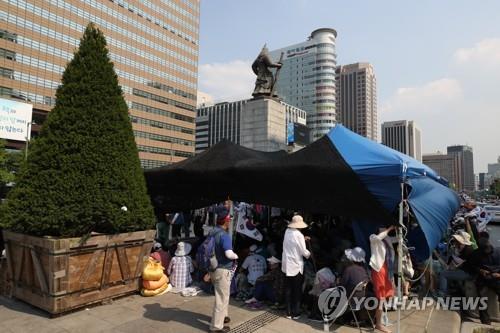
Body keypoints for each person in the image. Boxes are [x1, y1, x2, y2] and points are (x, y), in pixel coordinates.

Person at [209, 207, 239, 333]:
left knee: (223, 296)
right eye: (229, 220)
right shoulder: (224, 235)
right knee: (221, 298)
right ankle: (216, 327)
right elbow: (228, 254)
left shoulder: (212, 231)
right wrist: (236, 256)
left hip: (213, 268)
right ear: (226, 221)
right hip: (223, 269)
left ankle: (223, 318)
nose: (230, 222)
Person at [282, 214, 311, 320]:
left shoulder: (287, 232)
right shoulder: (298, 235)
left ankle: (288, 312)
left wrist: (303, 238)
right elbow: (303, 251)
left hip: (287, 265)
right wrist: (309, 254)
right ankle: (296, 312)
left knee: (288, 289)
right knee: (297, 290)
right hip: (296, 265)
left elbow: (293, 241)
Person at [369, 225, 396, 333]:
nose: (384, 228)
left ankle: (379, 319)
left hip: (386, 269)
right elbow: (378, 237)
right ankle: (378, 324)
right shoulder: (373, 237)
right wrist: (389, 229)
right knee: (381, 298)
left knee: (388, 294)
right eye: (383, 227)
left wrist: (398, 232)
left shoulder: (387, 239)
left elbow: (397, 239)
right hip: (378, 269)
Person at [438, 230, 474, 295]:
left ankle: (442, 294)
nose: (454, 241)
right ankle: (449, 289)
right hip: (460, 269)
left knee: (443, 274)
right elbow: (451, 258)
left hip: (466, 272)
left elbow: (462, 265)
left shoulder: (468, 251)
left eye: (456, 240)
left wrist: (452, 267)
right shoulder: (458, 248)